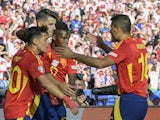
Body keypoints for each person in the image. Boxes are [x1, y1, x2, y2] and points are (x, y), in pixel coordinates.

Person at [55, 14, 148, 120]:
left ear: (117, 29)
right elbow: (122, 59)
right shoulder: (139, 44)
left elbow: (100, 63)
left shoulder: (125, 46)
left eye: (111, 28)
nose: (110, 31)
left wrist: (73, 55)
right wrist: (102, 45)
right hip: (141, 101)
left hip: (129, 101)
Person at [4, 26, 78, 120]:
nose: (47, 43)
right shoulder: (32, 58)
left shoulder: (18, 55)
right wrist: (67, 99)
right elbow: (45, 82)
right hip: (21, 110)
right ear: (35, 41)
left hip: (11, 107)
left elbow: (46, 75)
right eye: (45, 39)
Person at [34, 9, 77, 120]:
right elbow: (45, 75)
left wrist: (68, 93)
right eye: (51, 24)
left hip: (59, 97)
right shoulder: (42, 49)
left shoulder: (68, 53)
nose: (67, 41)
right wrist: (60, 88)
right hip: (43, 96)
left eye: (68, 38)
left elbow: (72, 74)